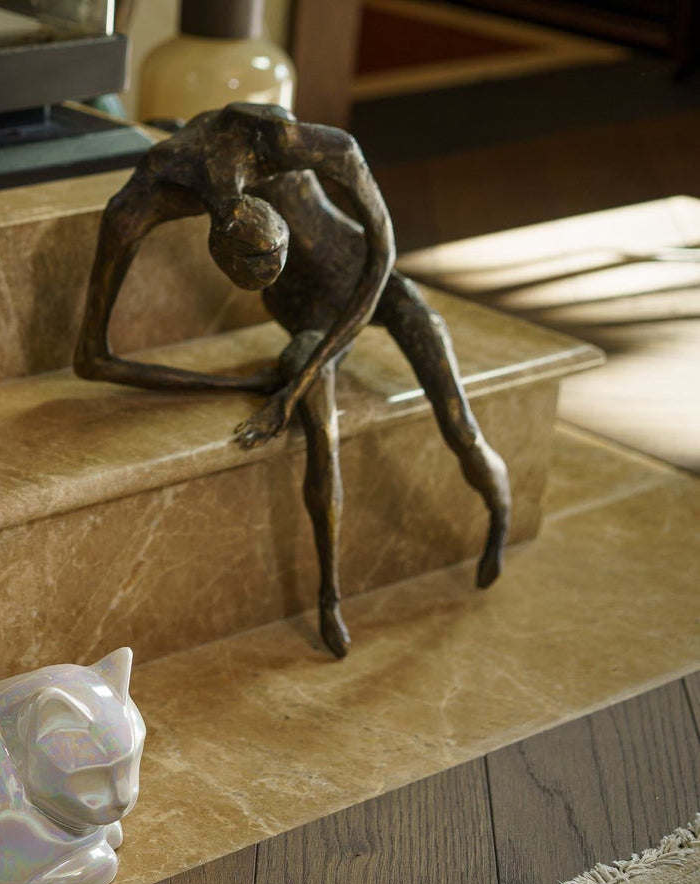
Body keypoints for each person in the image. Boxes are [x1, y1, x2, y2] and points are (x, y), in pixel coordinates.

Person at [75, 103, 510, 657]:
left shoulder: (280, 139)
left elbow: (383, 253)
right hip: (307, 320)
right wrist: (247, 384)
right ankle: (329, 596)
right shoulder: (148, 195)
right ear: (218, 253)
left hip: (368, 278)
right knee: (322, 438)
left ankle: (499, 516)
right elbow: (93, 359)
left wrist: (289, 388)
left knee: (458, 423)